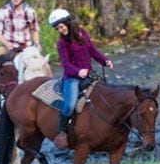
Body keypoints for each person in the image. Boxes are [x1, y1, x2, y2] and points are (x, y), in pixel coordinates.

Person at [48, 8, 114, 149]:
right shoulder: (61, 43)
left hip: (88, 75)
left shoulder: (83, 33)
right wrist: (78, 72)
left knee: (106, 94)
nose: (60, 30)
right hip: (72, 78)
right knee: (69, 106)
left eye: (61, 26)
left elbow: (92, 51)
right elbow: (66, 65)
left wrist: (105, 61)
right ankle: (62, 132)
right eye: (57, 28)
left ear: (68, 22)